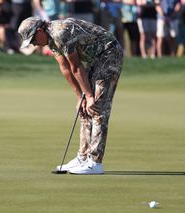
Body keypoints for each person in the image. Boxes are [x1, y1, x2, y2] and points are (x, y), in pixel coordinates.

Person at [18, 17, 123, 174]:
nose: (33, 44)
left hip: (109, 54)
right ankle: (83, 157)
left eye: (33, 39)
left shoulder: (60, 33)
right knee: (84, 109)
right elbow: (65, 68)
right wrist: (79, 96)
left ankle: (95, 163)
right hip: (95, 60)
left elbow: (76, 66)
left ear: (40, 31)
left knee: (96, 106)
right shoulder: (51, 39)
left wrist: (88, 96)